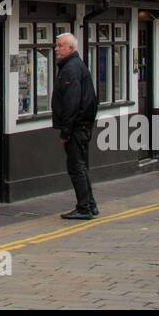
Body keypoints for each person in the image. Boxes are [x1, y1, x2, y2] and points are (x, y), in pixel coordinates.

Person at [52, 32, 98, 220]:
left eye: (60, 45)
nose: (56, 48)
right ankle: (90, 205)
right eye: (56, 45)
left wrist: (66, 131)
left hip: (77, 127)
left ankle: (84, 207)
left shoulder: (71, 69)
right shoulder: (76, 66)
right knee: (81, 166)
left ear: (70, 48)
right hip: (83, 125)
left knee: (76, 167)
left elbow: (72, 103)